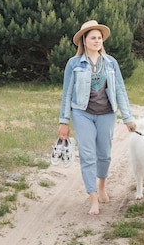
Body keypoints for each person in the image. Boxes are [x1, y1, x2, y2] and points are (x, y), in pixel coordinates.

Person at [58, 20, 136, 215]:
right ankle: (93, 198)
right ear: (84, 41)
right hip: (82, 113)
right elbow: (67, 93)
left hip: (107, 114)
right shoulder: (74, 64)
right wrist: (64, 121)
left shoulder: (111, 63)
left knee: (105, 155)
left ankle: (102, 186)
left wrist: (128, 118)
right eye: (93, 37)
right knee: (87, 156)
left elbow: (120, 90)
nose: (97, 40)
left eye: (99, 38)